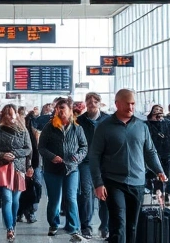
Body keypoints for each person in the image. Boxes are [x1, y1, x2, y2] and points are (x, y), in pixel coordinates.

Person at [88, 89, 166, 243]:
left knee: (132, 226)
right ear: (117, 104)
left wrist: (159, 170)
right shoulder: (104, 127)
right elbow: (94, 156)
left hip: (137, 182)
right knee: (118, 225)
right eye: (127, 104)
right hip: (113, 181)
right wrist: (98, 183)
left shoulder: (141, 126)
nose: (131, 107)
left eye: (133, 104)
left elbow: (150, 151)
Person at [38, 98, 88, 240]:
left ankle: (73, 228)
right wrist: (52, 157)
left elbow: (84, 147)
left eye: (63, 109)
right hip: (52, 170)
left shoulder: (77, 128)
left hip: (71, 169)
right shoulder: (49, 127)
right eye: (58, 109)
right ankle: (53, 225)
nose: (60, 112)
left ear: (70, 111)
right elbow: (41, 147)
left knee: (71, 198)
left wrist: (78, 157)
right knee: (55, 200)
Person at [0, 104, 33, 242]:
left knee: (16, 200)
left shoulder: (23, 130)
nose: (11, 117)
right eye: (8, 114)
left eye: (13, 113)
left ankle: (13, 223)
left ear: (17, 114)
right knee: (7, 198)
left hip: (19, 168)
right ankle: (10, 228)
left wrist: (17, 155)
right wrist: (2, 155)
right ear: (3, 115)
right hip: (4, 168)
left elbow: (28, 149)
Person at [76, 92, 110, 240]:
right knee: (86, 194)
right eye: (89, 102)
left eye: (95, 102)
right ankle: (86, 226)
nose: (92, 104)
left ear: (99, 103)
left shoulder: (108, 120)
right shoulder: (79, 121)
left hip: (106, 163)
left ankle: (105, 227)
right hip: (86, 162)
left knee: (105, 195)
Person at [145, 104, 170, 203]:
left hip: (167, 152)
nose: (158, 111)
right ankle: (157, 191)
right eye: (156, 110)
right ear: (152, 112)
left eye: (160, 110)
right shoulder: (147, 124)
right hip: (153, 153)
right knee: (155, 173)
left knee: (167, 173)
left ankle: (167, 193)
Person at [18, 111, 43, 225]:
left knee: (33, 188)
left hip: (31, 165)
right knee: (23, 189)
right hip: (20, 166)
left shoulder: (31, 133)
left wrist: (33, 166)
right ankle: (23, 212)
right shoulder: (14, 133)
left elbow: (35, 152)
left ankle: (29, 211)